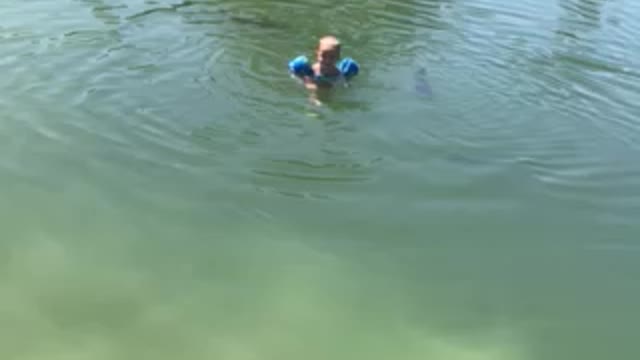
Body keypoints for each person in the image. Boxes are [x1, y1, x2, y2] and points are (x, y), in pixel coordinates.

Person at [288, 36, 359, 92]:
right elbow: (302, 81)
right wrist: (309, 85)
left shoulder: (338, 74)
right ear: (317, 53)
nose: (327, 60)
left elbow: (341, 85)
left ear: (338, 57)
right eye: (323, 56)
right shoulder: (312, 70)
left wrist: (332, 86)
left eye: (332, 57)